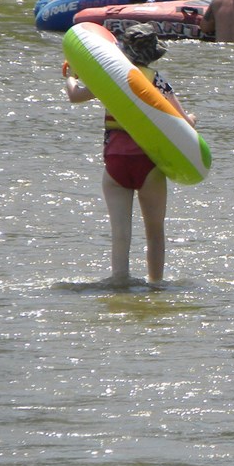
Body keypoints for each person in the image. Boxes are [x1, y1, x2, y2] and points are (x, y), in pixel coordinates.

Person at [65, 24, 196, 285]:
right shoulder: (156, 80)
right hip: (149, 162)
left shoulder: (109, 76)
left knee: (120, 231)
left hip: (115, 161)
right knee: (155, 231)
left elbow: (75, 96)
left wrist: (71, 75)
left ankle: (120, 280)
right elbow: (185, 124)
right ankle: (156, 285)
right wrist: (193, 117)